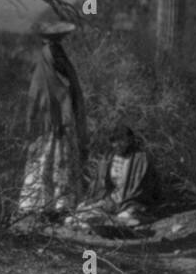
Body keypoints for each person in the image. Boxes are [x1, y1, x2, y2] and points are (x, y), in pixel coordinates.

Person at [15, 20, 88, 222]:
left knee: (52, 162)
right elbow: (41, 98)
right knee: (49, 162)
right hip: (51, 129)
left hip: (58, 128)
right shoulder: (49, 59)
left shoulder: (52, 56)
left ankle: (55, 206)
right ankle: (47, 205)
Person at [73, 124, 161, 229]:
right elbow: (101, 186)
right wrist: (102, 200)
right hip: (110, 201)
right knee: (81, 213)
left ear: (129, 141)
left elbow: (144, 189)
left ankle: (111, 223)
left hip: (134, 203)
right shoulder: (108, 158)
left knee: (123, 218)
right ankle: (102, 221)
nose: (118, 144)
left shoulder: (141, 159)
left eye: (122, 141)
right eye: (114, 141)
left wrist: (122, 201)